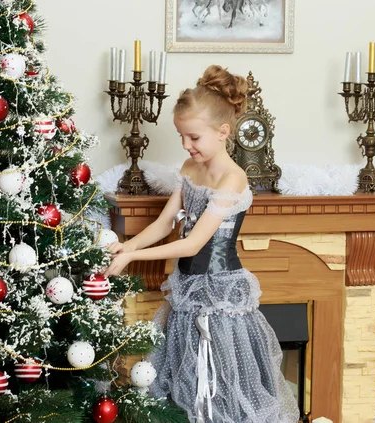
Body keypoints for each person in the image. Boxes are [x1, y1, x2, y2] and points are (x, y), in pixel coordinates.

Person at [104, 65, 299, 423]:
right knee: (184, 379)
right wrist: (127, 247)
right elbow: (165, 222)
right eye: (181, 136)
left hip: (221, 297)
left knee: (221, 385)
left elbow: (192, 244)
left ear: (223, 132)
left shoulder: (233, 178)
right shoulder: (190, 168)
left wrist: (134, 257)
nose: (186, 145)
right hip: (187, 291)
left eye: (193, 137)